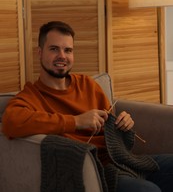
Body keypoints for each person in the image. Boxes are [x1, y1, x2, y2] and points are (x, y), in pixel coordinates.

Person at [2, 20, 173, 192]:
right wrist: (76, 121)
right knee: (147, 190)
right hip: (96, 171)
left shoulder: (87, 84)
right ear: (40, 53)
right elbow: (11, 122)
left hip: (123, 161)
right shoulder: (31, 96)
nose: (62, 55)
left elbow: (111, 126)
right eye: (54, 49)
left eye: (68, 50)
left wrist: (124, 124)